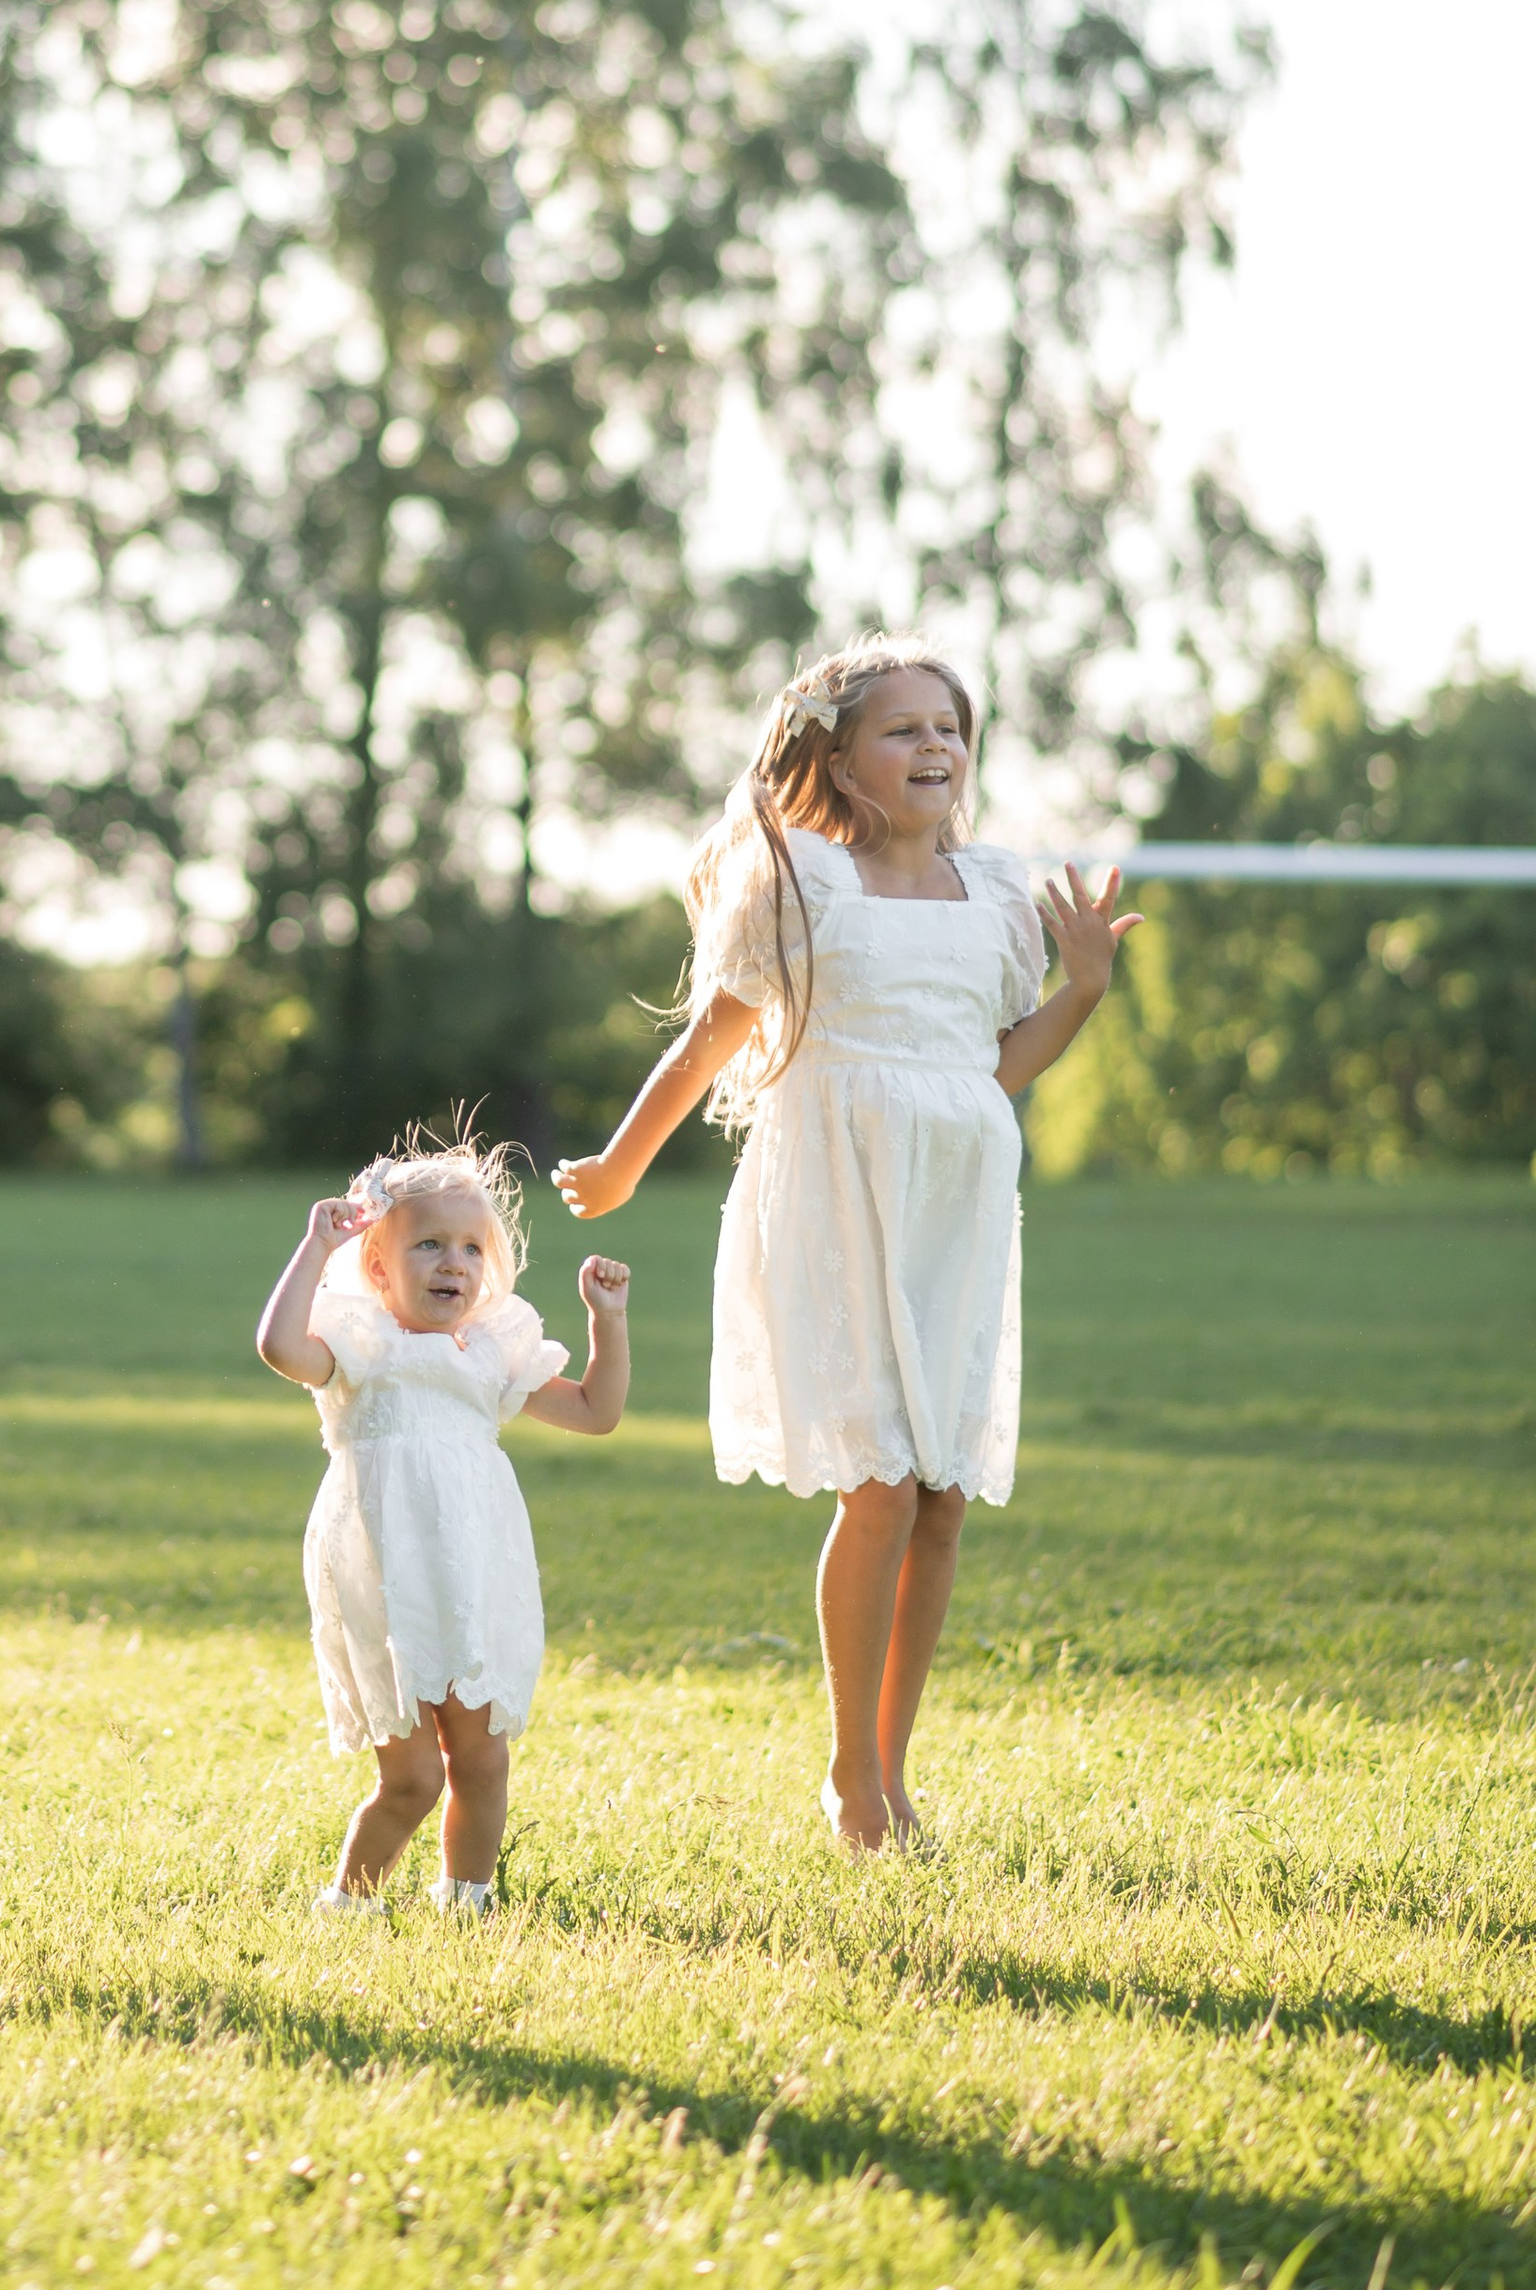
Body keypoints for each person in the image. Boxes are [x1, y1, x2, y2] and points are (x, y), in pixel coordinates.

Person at [552, 634, 1136, 1855]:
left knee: (941, 1495)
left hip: (955, 1200)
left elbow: (991, 1068)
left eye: (949, 726)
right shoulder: (804, 883)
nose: (934, 745)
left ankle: (893, 1762)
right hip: (836, 1189)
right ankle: (850, 1776)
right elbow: (705, 1047)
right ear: (838, 756)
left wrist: (1080, 989)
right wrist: (617, 1165)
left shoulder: (994, 890)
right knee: (879, 1481)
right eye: (902, 727)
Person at [256, 1137, 631, 1914]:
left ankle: (468, 1903)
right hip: (385, 1578)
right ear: (378, 1265)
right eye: (428, 1245)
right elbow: (280, 1347)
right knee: (414, 1777)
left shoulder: (489, 1353)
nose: (452, 1263)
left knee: (483, 1759)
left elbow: (597, 1413)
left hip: (472, 1574)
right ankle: (348, 1903)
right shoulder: (364, 1348)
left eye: (470, 1248)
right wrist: (317, 1245)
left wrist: (609, 1322)